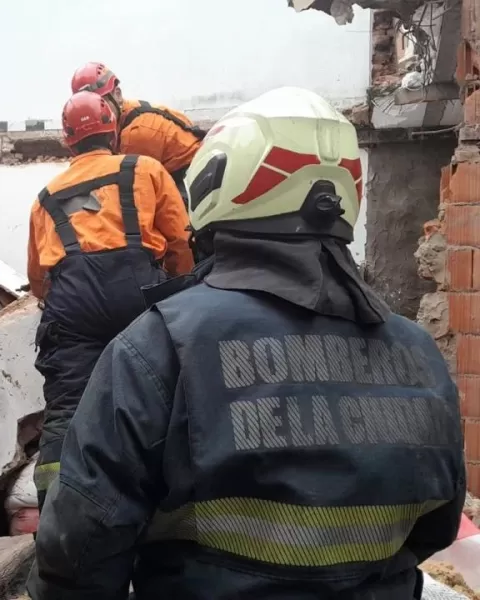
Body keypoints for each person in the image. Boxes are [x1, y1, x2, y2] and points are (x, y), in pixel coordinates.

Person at [27, 87, 466, 600]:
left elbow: (80, 548)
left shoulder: (160, 346)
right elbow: (435, 528)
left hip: (74, 306)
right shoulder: (420, 355)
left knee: (64, 412)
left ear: (221, 181)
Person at [28, 90, 194, 509]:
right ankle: (160, 503)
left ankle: (54, 513)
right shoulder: (146, 169)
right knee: (157, 394)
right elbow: (180, 241)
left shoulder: (46, 196)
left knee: (67, 406)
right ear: (114, 130)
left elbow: (37, 279)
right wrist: (180, 291)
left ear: (68, 140)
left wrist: (66, 309)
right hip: (138, 293)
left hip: (72, 300)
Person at [71, 62, 205, 201]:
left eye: (101, 103)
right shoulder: (128, 113)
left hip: (189, 176)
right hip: (182, 170)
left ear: (117, 94)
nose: (98, 113)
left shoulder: (134, 134)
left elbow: (134, 189)